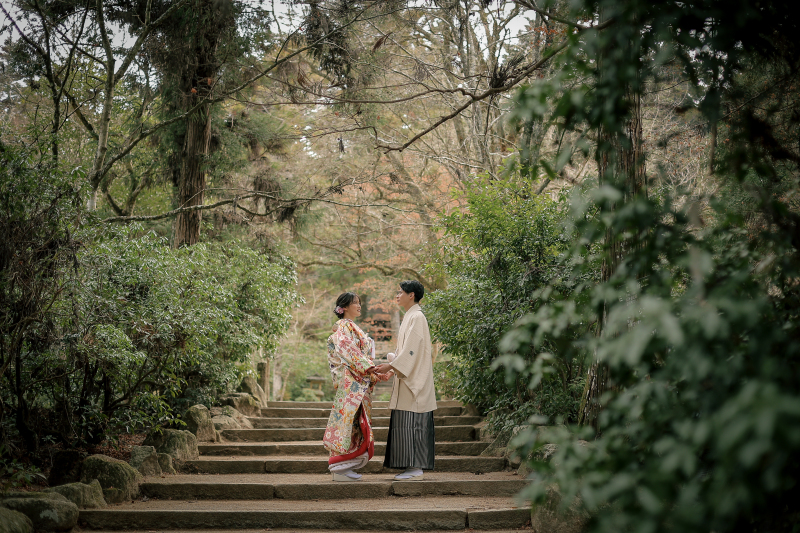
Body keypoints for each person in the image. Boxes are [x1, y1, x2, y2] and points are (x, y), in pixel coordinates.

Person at [371, 280, 436, 481]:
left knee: (413, 421)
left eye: (401, 292)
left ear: (412, 295)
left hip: (415, 379)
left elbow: (412, 351)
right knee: (407, 421)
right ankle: (411, 466)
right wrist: (393, 369)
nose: (397, 295)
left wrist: (391, 366)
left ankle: (416, 467)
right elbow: (406, 351)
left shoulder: (417, 316)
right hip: (408, 376)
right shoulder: (411, 316)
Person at [323, 292, 392, 482]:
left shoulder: (352, 327)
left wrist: (372, 372)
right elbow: (347, 349)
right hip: (351, 382)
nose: (359, 306)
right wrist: (369, 368)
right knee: (349, 424)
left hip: (358, 381)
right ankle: (339, 467)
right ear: (344, 307)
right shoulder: (343, 326)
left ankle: (344, 467)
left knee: (354, 424)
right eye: (355, 303)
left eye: (360, 303)